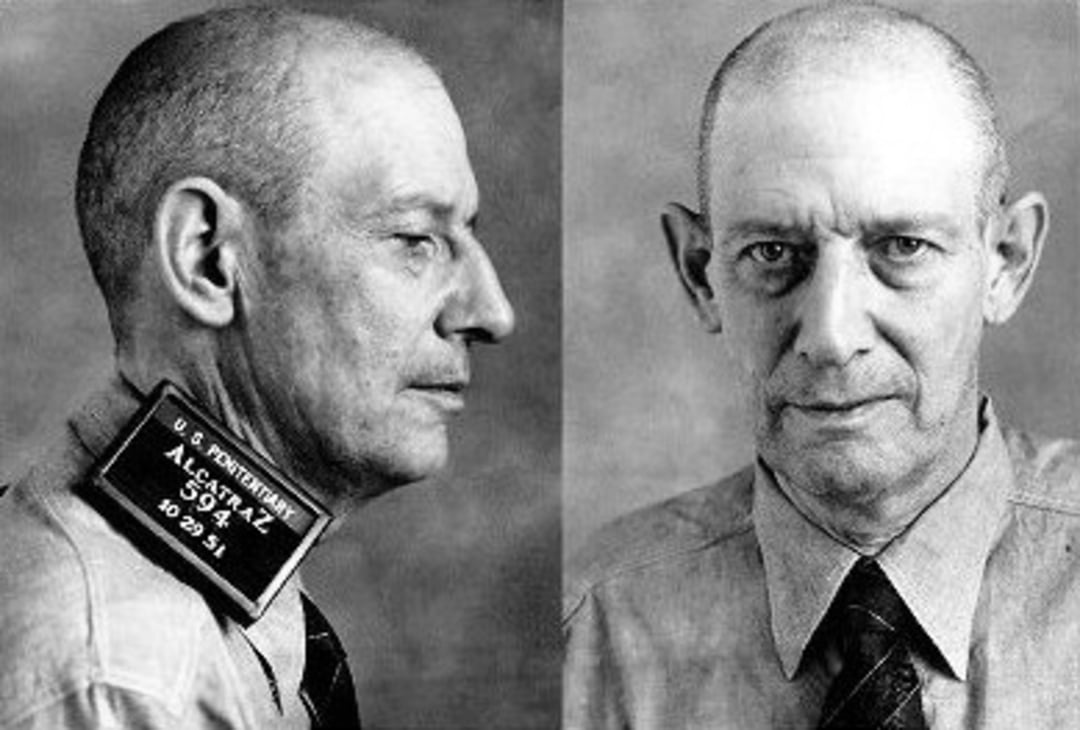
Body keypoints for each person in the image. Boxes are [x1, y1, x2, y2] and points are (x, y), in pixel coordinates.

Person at [564, 2, 1080, 728]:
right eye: (773, 254)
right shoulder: (588, 633)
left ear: (1006, 261)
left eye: (901, 247)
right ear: (700, 274)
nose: (832, 336)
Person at [0, 6, 514, 729]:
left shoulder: (216, 593)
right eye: (414, 240)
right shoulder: (120, 686)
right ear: (208, 258)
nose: (490, 312)